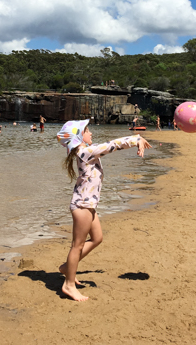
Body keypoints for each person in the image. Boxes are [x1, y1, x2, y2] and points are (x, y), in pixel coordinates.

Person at [56, 120, 151, 301]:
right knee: (77, 245)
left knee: (97, 238)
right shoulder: (85, 152)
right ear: (79, 136)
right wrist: (135, 139)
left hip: (89, 205)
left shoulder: (85, 152)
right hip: (82, 205)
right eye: (87, 131)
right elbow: (111, 145)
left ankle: (67, 267)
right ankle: (68, 285)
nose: (91, 133)